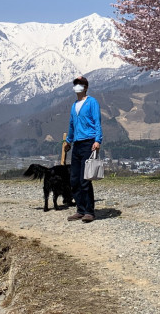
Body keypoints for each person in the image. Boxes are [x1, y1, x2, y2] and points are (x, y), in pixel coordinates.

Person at [63, 75, 102, 222]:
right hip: (77, 144)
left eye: (80, 84)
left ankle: (89, 211)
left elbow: (97, 121)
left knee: (85, 179)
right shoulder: (74, 105)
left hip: (89, 142)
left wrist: (98, 140)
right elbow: (72, 125)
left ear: (85, 87)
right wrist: (68, 141)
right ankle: (80, 209)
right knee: (74, 179)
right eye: (75, 84)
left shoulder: (92, 102)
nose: (77, 87)